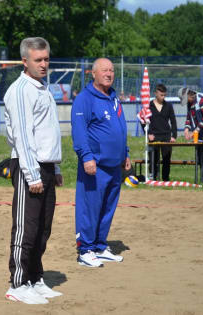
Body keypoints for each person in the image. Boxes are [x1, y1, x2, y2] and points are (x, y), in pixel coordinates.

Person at [3, 37, 63, 304]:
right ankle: (17, 283)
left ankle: (35, 278)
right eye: (38, 60)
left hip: (47, 165)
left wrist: (56, 167)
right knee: (26, 228)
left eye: (46, 59)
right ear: (24, 61)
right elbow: (23, 137)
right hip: (30, 166)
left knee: (43, 228)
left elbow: (50, 132)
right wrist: (32, 175)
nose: (43, 64)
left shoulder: (44, 89)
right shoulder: (20, 90)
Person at [71, 58, 131, 268]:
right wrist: (86, 157)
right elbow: (79, 131)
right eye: (105, 70)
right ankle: (85, 249)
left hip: (115, 165)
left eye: (112, 70)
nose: (109, 73)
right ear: (93, 74)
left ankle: (99, 246)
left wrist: (126, 153)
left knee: (107, 208)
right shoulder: (85, 99)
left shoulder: (113, 98)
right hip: (95, 165)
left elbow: (120, 128)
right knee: (90, 208)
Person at [143, 84, 177, 181]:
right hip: (154, 136)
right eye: (161, 95)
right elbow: (143, 121)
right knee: (153, 159)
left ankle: (166, 179)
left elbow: (173, 121)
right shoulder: (149, 106)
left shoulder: (168, 106)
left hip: (166, 136)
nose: (163, 97)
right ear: (156, 94)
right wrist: (148, 133)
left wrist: (174, 136)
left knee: (166, 159)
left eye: (164, 95)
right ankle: (153, 178)